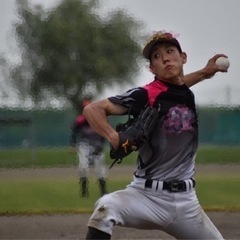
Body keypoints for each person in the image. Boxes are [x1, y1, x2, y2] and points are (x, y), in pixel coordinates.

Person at [83, 31, 229, 239]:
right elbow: (93, 110)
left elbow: (179, 84)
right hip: (146, 196)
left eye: (170, 51)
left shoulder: (183, 91)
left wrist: (206, 72)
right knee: (106, 208)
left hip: (187, 203)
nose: (165, 58)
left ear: (183, 57)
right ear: (152, 68)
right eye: (157, 57)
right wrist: (114, 137)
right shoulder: (146, 94)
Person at [69, 97, 108, 197]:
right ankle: (84, 191)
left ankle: (103, 190)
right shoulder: (81, 120)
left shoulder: (99, 119)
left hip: (97, 145)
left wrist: (101, 145)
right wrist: (72, 144)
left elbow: (105, 132)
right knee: (83, 167)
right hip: (84, 145)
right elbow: (74, 132)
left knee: (100, 168)